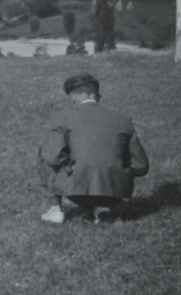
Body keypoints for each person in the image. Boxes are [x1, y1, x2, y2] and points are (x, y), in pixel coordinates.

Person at [38, 74, 149, 224]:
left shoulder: (63, 116)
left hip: (76, 191)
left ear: (72, 98)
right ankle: (102, 208)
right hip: (115, 193)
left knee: (44, 151)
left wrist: (69, 166)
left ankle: (55, 210)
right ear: (99, 96)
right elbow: (141, 166)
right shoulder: (123, 120)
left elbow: (53, 155)